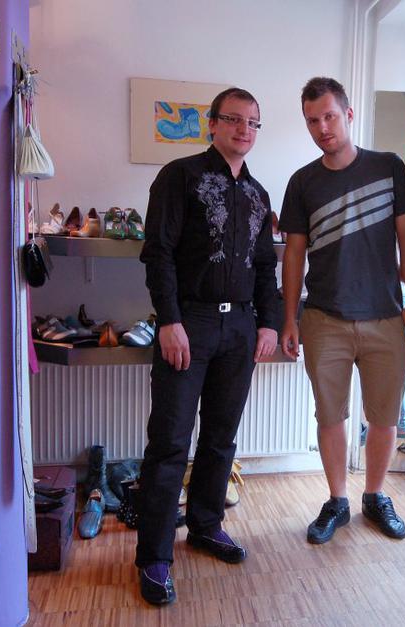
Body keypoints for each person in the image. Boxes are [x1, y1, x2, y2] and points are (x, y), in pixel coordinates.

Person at [134, 87, 280, 605]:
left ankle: (205, 524)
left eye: (253, 123)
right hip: (189, 322)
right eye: (234, 119)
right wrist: (169, 320)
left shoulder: (259, 195)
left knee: (220, 437)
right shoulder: (179, 176)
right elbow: (158, 253)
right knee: (170, 440)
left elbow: (265, 267)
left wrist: (268, 324)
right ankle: (153, 556)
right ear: (212, 124)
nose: (244, 130)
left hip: (240, 327)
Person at [279, 77, 405, 545]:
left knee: (384, 417)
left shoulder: (388, 167)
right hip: (324, 318)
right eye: (312, 121)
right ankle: (337, 501)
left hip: (386, 316)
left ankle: (375, 496)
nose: (322, 127)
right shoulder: (302, 182)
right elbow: (293, 254)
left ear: (349, 114)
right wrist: (289, 318)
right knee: (329, 416)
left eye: (330, 116)